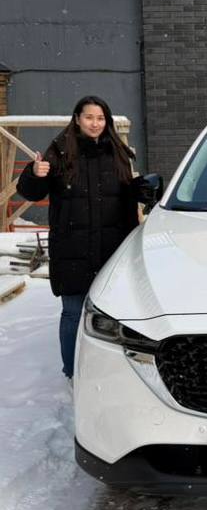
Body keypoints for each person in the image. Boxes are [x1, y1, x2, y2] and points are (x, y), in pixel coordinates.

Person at [17, 96, 142, 382]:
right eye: (89, 117)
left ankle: (109, 372)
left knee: (112, 316)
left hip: (111, 247)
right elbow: (32, 192)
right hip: (72, 248)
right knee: (73, 313)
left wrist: (142, 192)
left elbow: (126, 197)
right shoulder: (60, 151)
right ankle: (72, 372)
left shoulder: (117, 152)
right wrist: (34, 174)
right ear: (77, 119)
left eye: (100, 118)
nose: (95, 124)